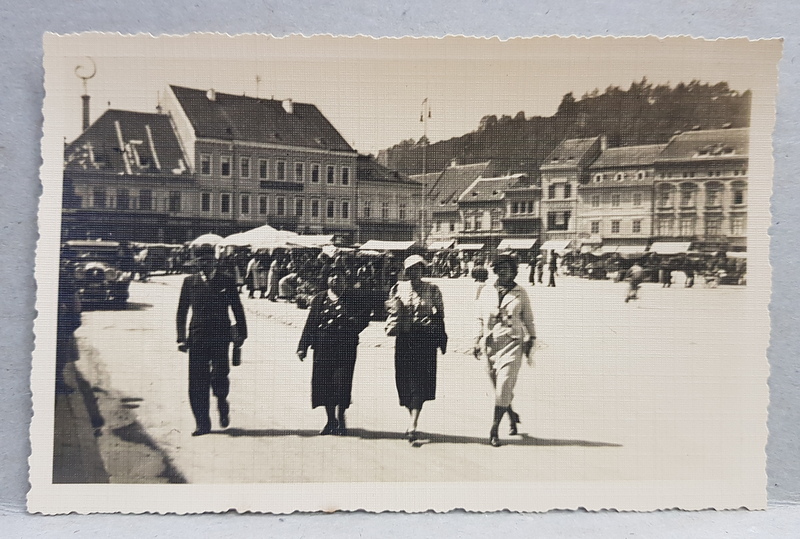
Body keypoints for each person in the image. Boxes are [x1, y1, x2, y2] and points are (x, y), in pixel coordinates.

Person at [176, 245, 247, 436]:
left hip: (220, 337)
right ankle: (202, 423)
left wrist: (242, 333)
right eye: (200, 261)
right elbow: (182, 311)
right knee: (197, 382)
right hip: (197, 337)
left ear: (215, 261)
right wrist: (181, 338)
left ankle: (222, 401)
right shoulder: (189, 282)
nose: (204, 264)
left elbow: (237, 309)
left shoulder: (226, 281)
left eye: (208, 260)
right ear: (196, 262)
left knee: (219, 376)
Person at [296, 269, 370, 435]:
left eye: (340, 276)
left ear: (345, 280)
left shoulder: (353, 298)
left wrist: (354, 327)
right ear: (327, 279)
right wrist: (303, 346)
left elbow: (366, 316)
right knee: (324, 383)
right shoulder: (319, 299)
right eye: (332, 275)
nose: (335, 278)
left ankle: (341, 416)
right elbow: (310, 323)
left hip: (345, 347)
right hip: (323, 347)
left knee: (341, 382)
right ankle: (330, 420)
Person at [474, 253, 536, 447]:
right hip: (490, 344)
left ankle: (494, 429)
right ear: (495, 270)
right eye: (500, 268)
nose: (504, 272)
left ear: (514, 271)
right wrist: (477, 339)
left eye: (507, 269)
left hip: (513, 343)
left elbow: (528, 318)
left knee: (503, 386)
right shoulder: (485, 291)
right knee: (500, 387)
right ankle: (510, 414)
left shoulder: (521, 292)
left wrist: (531, 338)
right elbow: (480, 317)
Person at [385, 254, 447, 442]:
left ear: (423, 270)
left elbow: (440, 315)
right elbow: (390, 310)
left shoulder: (433, 289)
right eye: (411, 270)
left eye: (418, 269)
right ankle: (411, 412)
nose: (414, 273)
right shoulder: (398, 288)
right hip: (404, 340)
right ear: (406, 272)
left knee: (420, 381)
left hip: (424, 341)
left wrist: (440, 337)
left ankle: (413, 423)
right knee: (404, 380)